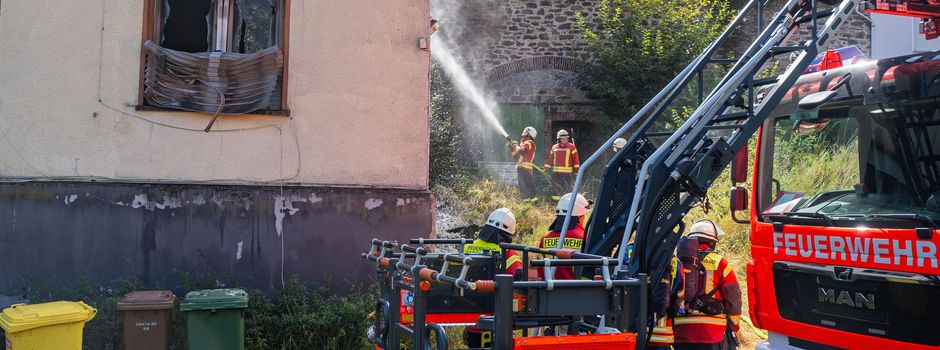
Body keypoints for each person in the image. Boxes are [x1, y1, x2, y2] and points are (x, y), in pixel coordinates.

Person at [673, 220, 742, 350]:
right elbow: (734, 297)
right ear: (712, 242)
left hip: (681, 331)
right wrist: (734, 326)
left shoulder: (677, 262)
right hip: (712, 333)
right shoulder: (720, 262)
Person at [463, 208, 524, 348]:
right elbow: (519, 279)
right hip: (497, 316)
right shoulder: (509, 254)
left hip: (468, 310)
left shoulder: (468, 247)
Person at [623, 242, 684, 350]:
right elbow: (680, 295)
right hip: (661, 336)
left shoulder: (628, 251)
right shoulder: (676, 261)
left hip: (630, 333)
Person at [536, 193, 589, 281]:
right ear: (579, 217)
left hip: (550, 290)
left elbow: (541, 271)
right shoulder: (585, 238)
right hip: (578, 290)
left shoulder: (545, 239)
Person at [544, 130, 580, 200]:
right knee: (556, 189)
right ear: (559, 139)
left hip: (567, 174)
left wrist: (576, 171)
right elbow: (550, 159)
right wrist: (546, 168)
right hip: (556, 173)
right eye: (563, 138)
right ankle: (555, 203)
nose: (565, 139)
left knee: (567, 189)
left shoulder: (571, 147)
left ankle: (566, 204)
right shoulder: (554, 147)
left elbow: (576, 160)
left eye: (566, 138)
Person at [508, 127, 538, 200]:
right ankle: (529, 205)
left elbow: (522, 152)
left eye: (526, 132)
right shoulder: (522, 143)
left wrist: (515, 145)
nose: (524, 132)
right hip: (521, 168)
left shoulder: (530, 143)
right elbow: (516, 155)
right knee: (524, 188)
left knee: (527, 188)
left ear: (530, 134)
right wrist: (511, 147)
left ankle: (532, 204)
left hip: (526, 169)